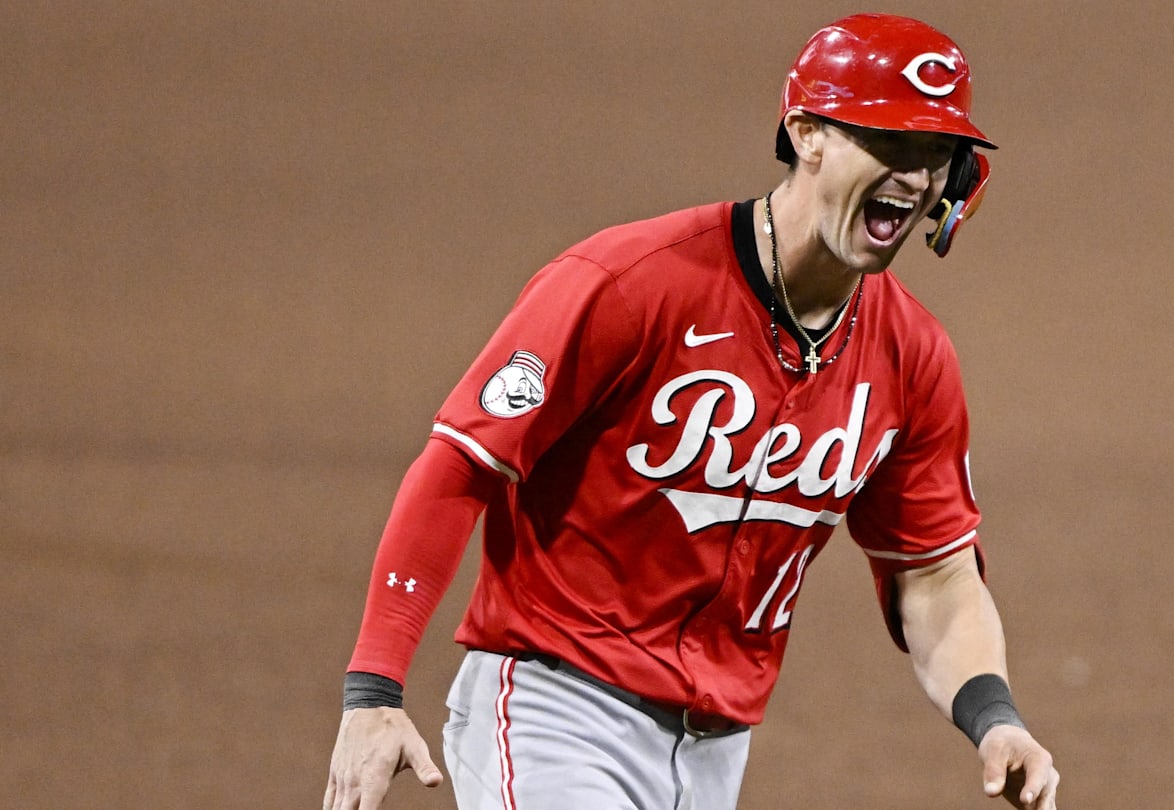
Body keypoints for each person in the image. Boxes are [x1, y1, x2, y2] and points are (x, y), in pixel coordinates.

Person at [324, 12, 1060, 810]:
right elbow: (462, 463)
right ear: (807, 133)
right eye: (888, 143)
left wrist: (996, 720)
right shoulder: (629, 283)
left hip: (715, 751)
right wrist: (374, 690)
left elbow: (936, 575)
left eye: (935, 157)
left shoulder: (912, 356)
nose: (914, 179)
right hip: (554, 712)